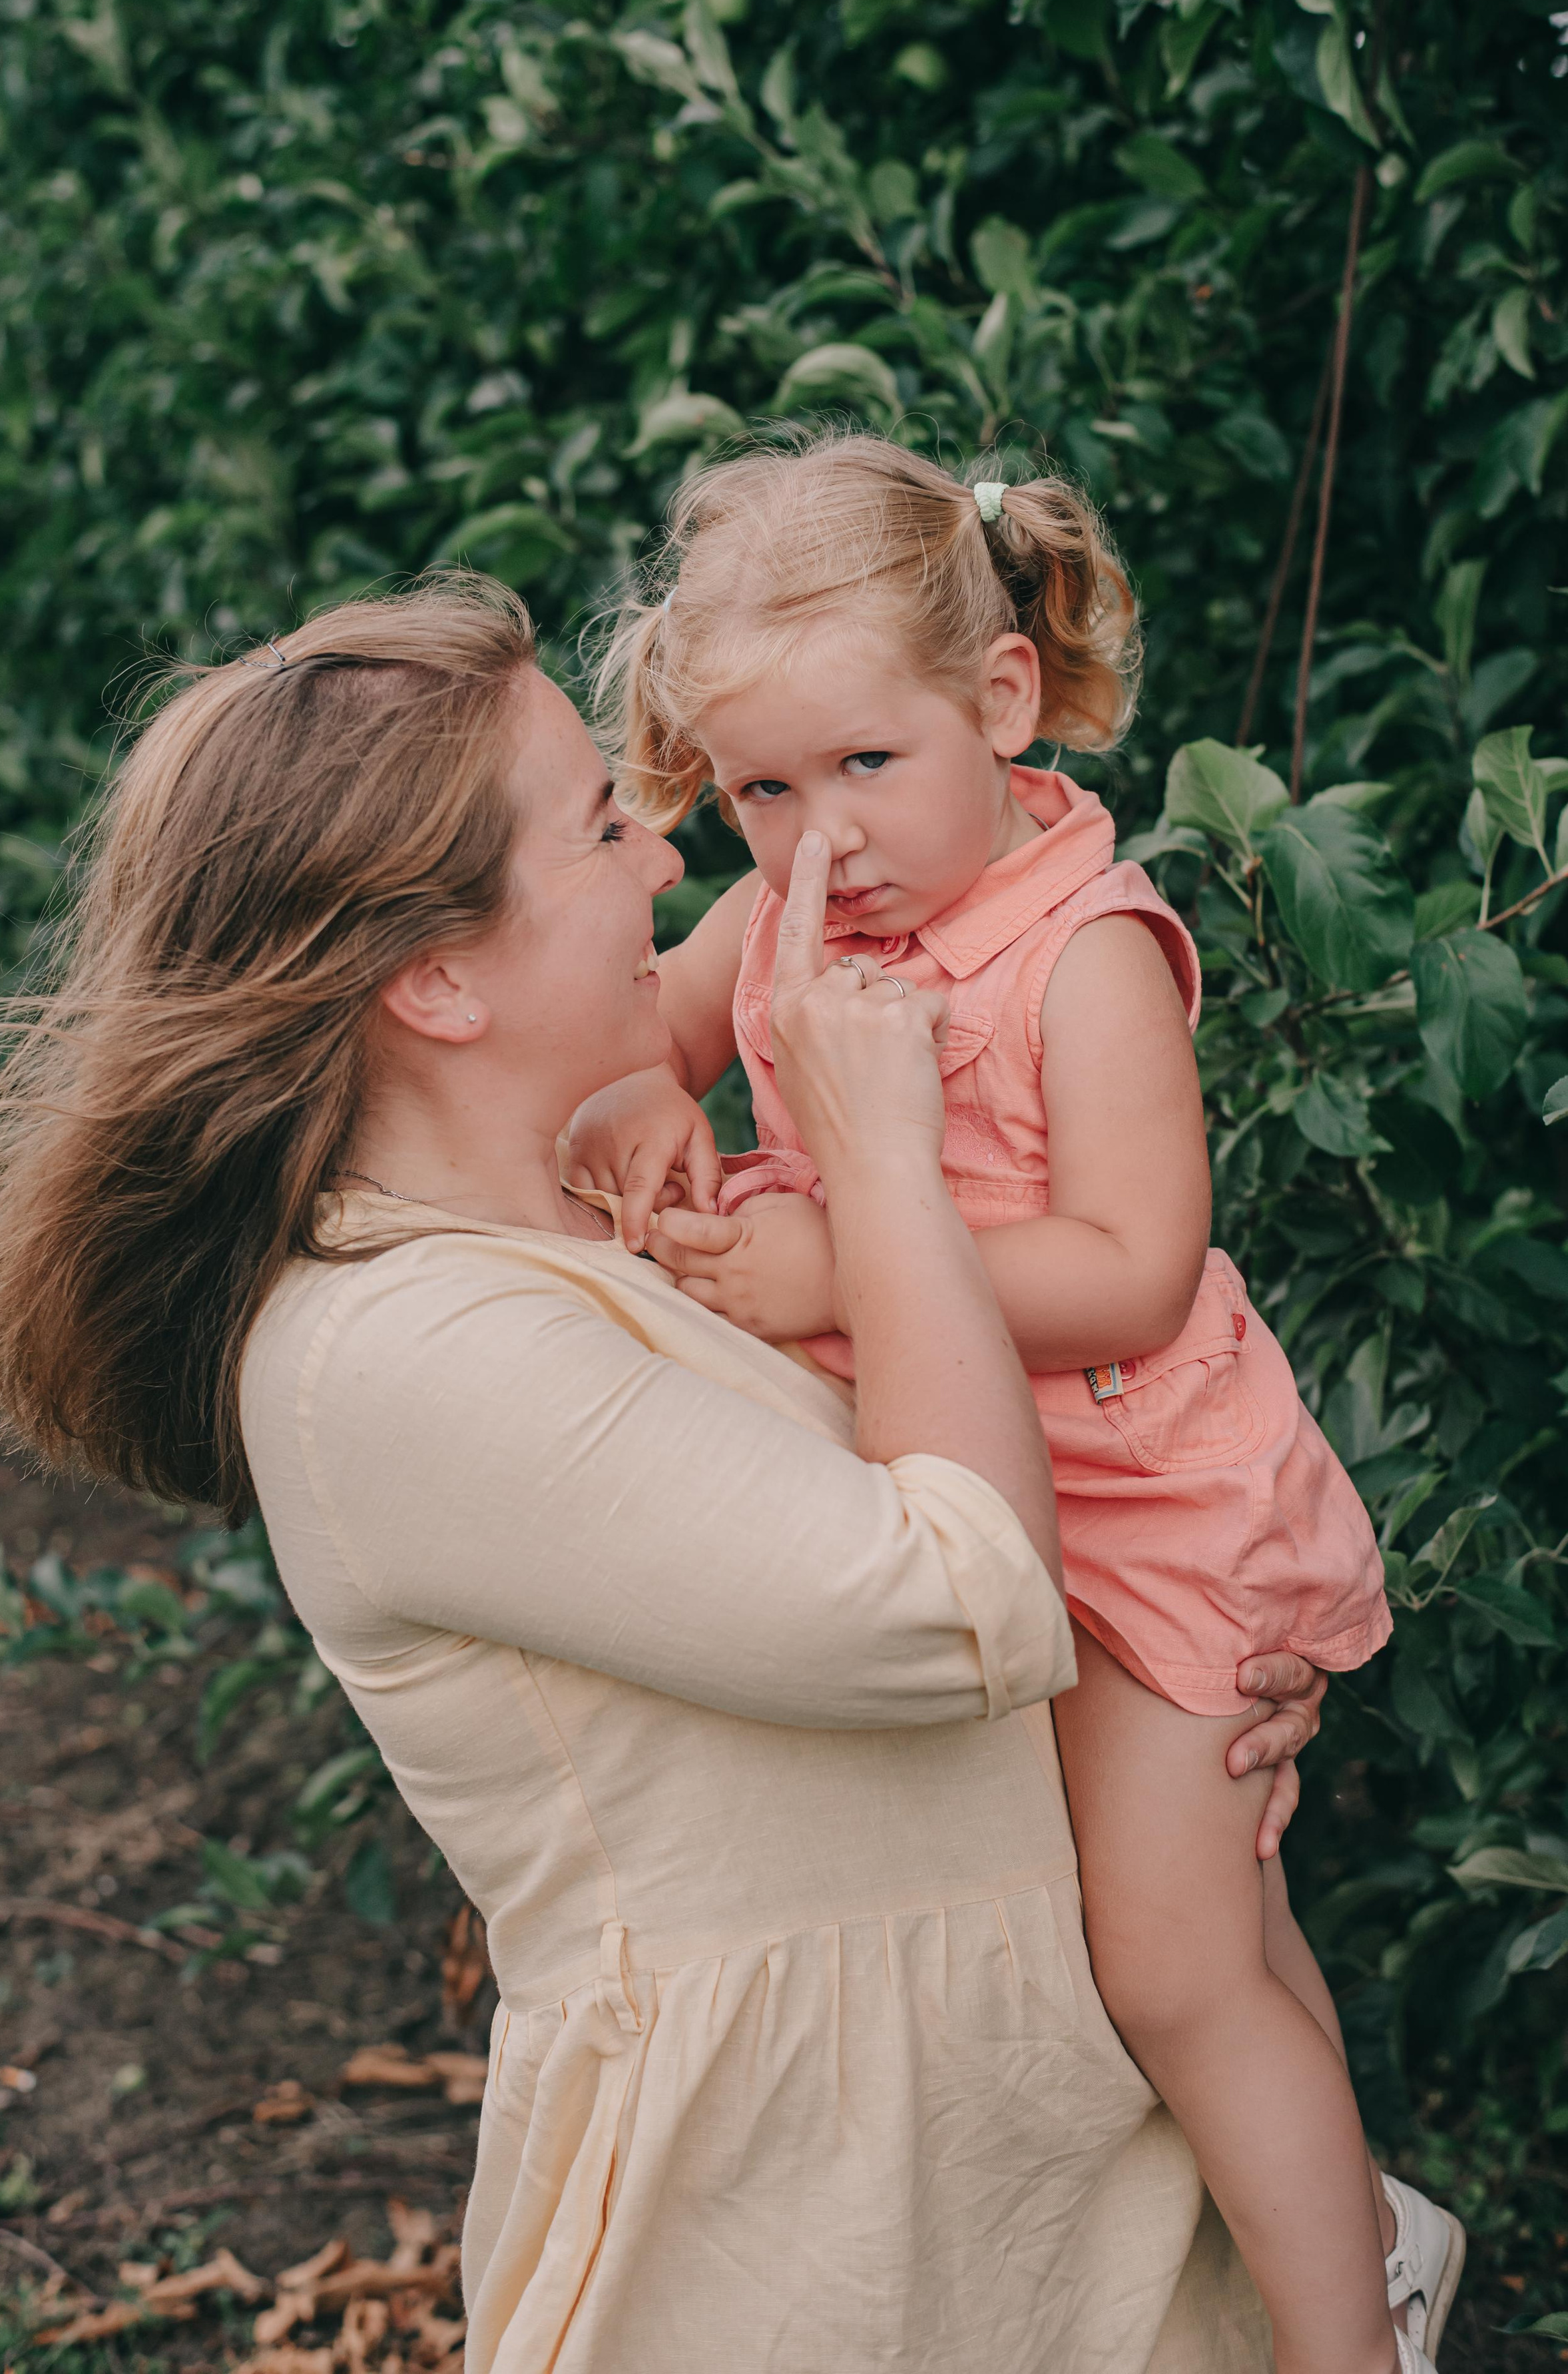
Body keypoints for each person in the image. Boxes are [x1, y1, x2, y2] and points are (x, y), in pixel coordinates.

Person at [0, 573, 1330, 2374]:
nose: (673, 866)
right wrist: (884, 1160)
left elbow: (1023, 1498)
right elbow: (962, 1603)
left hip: (1055, 2207)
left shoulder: (606, 1212)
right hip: (798, 2259)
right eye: (601, 823)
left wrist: (1206, 1649)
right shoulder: (397, 1357)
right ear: (437, 978)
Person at [571, 434, 1463, 2374]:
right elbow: (638, 1024)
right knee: (1214, 1941)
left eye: (867, 765)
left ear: (997, 698)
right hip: (987, 1516)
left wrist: (838, 1270)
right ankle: (1352, 2231)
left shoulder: (1083, 952)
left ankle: (1349, 2340)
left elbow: (1137, 1262)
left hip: (1157, 1511)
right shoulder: (791, 914)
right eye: (763, 788)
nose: (822, 838)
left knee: (1163, 1965)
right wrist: (649, 1091)